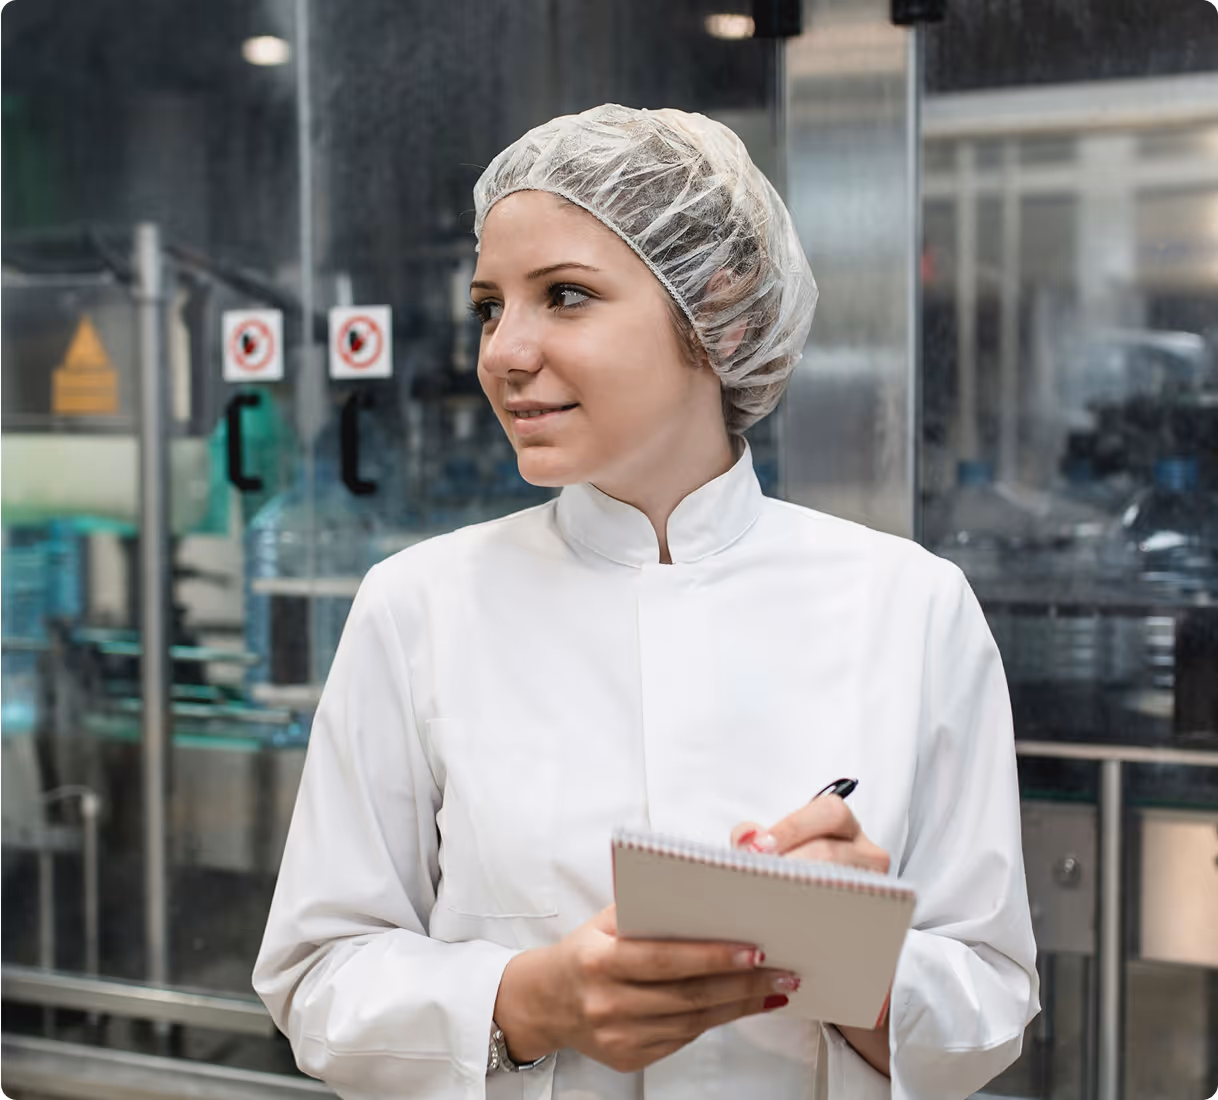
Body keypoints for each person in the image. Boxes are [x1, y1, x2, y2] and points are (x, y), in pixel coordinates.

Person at [253, 103, 1039, 1100]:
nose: (504, 350)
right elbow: (317, 976)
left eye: (566, 295)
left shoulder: (910, 603)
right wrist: (528, 1001)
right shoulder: (418, 605)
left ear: (723, 316)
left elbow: (991, 1005)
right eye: (491, 304)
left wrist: (855, 957)